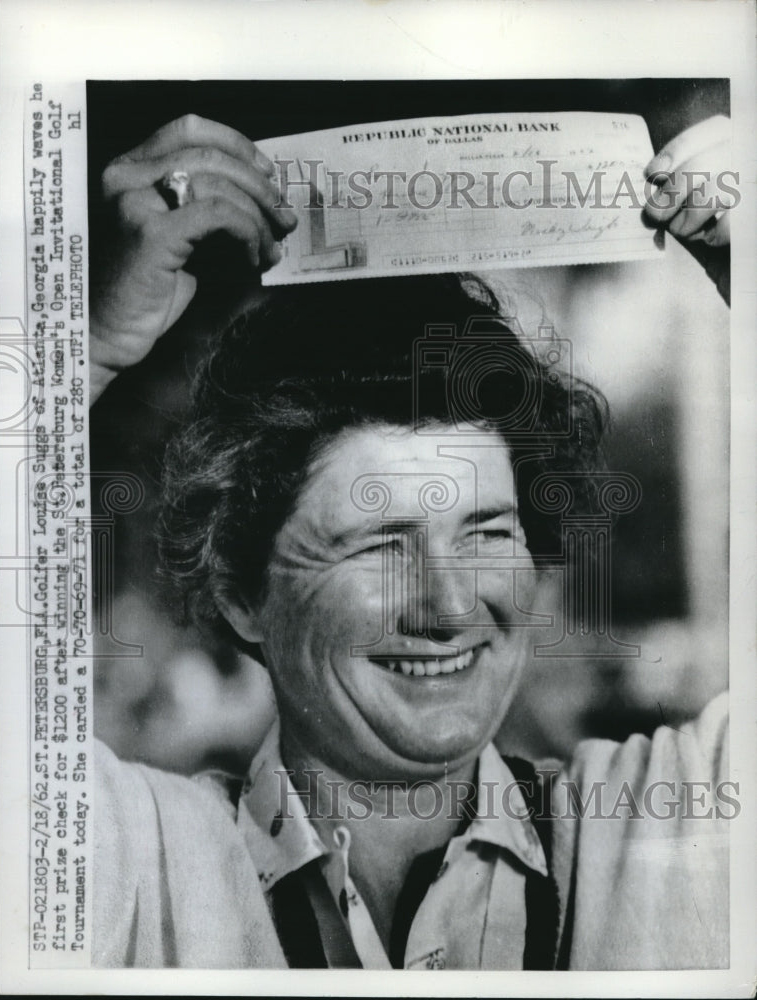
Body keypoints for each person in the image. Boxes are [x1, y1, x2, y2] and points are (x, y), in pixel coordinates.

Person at [90, 114, 732, 969]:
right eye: (377, 544)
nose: (451, 603)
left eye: (487, 531)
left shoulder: (673, 828)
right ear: (243, 592)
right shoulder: (130, 862)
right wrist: (85, 342)